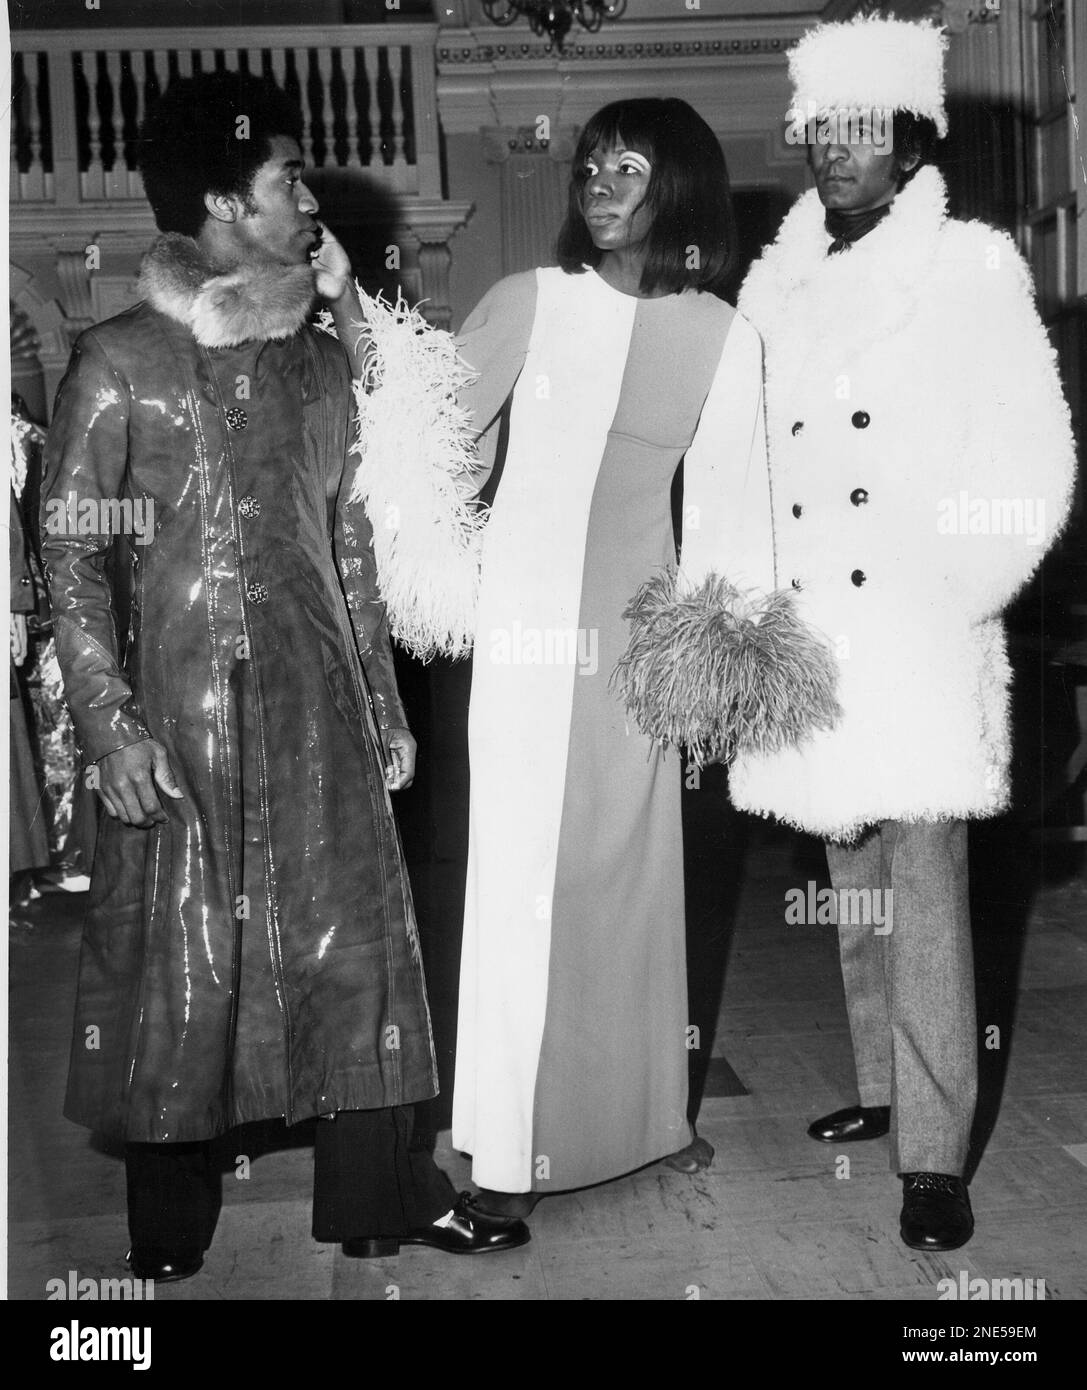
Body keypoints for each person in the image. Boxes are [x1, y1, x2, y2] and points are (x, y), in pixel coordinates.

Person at [41, 70, 527, 1283]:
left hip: (321, 711)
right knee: (178, 955)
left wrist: (380, 697)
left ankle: (382, 1196)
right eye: (286, 178)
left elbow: (348, 539)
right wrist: (108, 727)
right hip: (180, 720)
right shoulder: (119, 361)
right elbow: (71, 551)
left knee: (355, 947)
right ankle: (168, 1227)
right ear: (220, 201)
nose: (310, 196)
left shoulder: (317, 366)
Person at [329, 97, 837, 1217]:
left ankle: (646, 1121)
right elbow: (418, 427)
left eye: (630, 166)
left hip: (643, 645)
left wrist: (715, 664)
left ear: (682, 189)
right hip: (523, 636)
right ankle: (507, 1146)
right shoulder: (530, 302)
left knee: (636, 877)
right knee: (522, 882)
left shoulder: (722, 332)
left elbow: (729, 512)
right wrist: (348, 309)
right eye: (592, 164)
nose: (600, 183)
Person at [730, 16, 1077, 1250]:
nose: (835, 149)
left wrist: (958, 580)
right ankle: (879, 1085)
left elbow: (1033, 454)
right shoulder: (774, 278)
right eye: (820, 126)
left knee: (922, 886)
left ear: (909, 140)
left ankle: (933, 1153)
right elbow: (749, 456)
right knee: (849, 870)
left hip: (922, 625)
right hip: (815, 623)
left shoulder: (971, 266)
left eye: (861, 128)